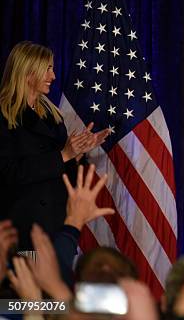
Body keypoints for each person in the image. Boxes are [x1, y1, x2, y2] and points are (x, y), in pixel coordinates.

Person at [0, 41, 109, 251]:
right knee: (28, 285)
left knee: (57, 284)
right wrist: (64, 155)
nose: (53, 77)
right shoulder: (4, 117)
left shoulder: (53, 117)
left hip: (55, 229)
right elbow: (10, 173)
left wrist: (77, 153)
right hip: (22, 233)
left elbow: (61, 173)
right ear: (28, 72)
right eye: (47, 69)